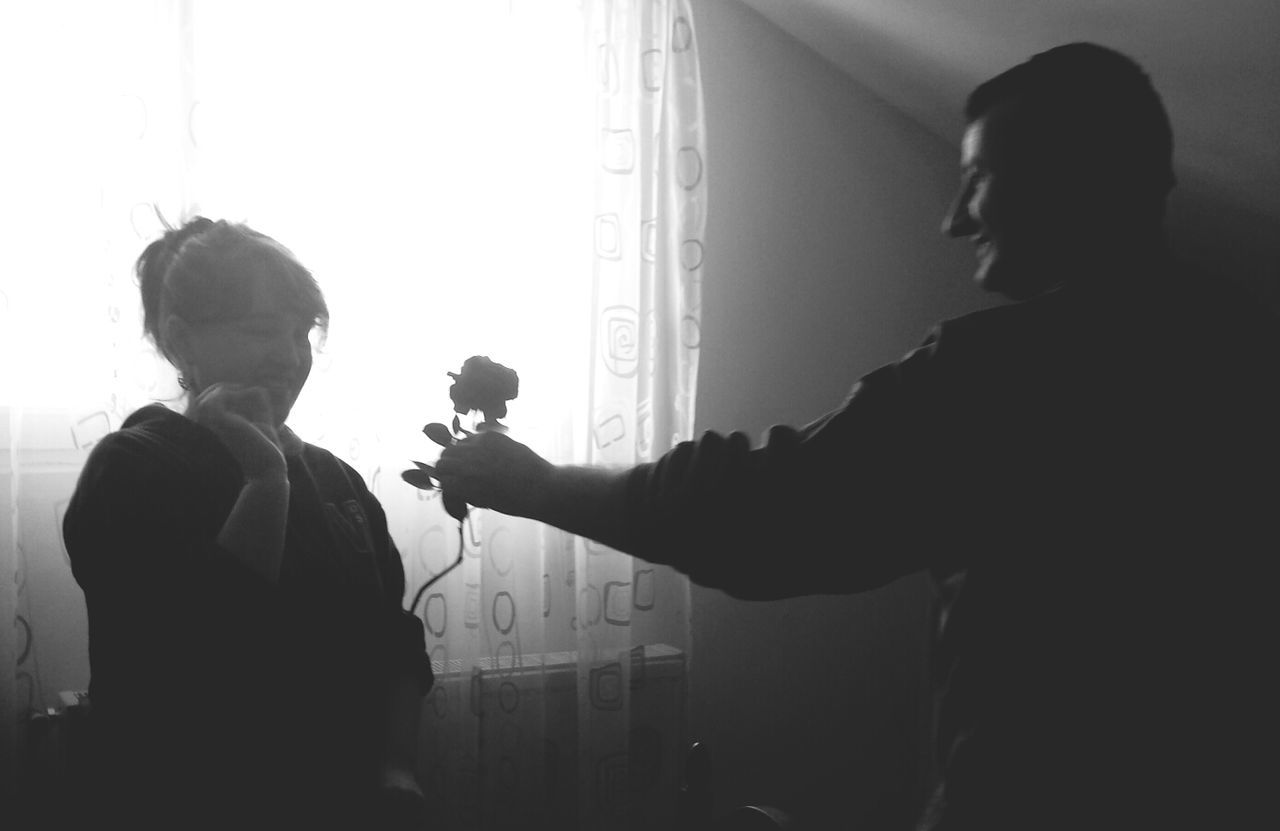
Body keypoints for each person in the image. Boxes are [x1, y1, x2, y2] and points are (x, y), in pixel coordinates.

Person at [435, 43, 1279, 829]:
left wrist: (540, 487)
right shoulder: (1246, 342)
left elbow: (761, 512)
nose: (954, 217)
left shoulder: (995, 374)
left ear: (1070, 178)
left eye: (979, 176)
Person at [64, 218, 433, 830]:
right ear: (181, 341)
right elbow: (205, 654)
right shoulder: (130, 471)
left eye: (300, 334)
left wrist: (397, 766)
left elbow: (391, 639)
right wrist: (266, 482)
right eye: (263, 330)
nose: (290, 357)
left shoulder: (338, 481)